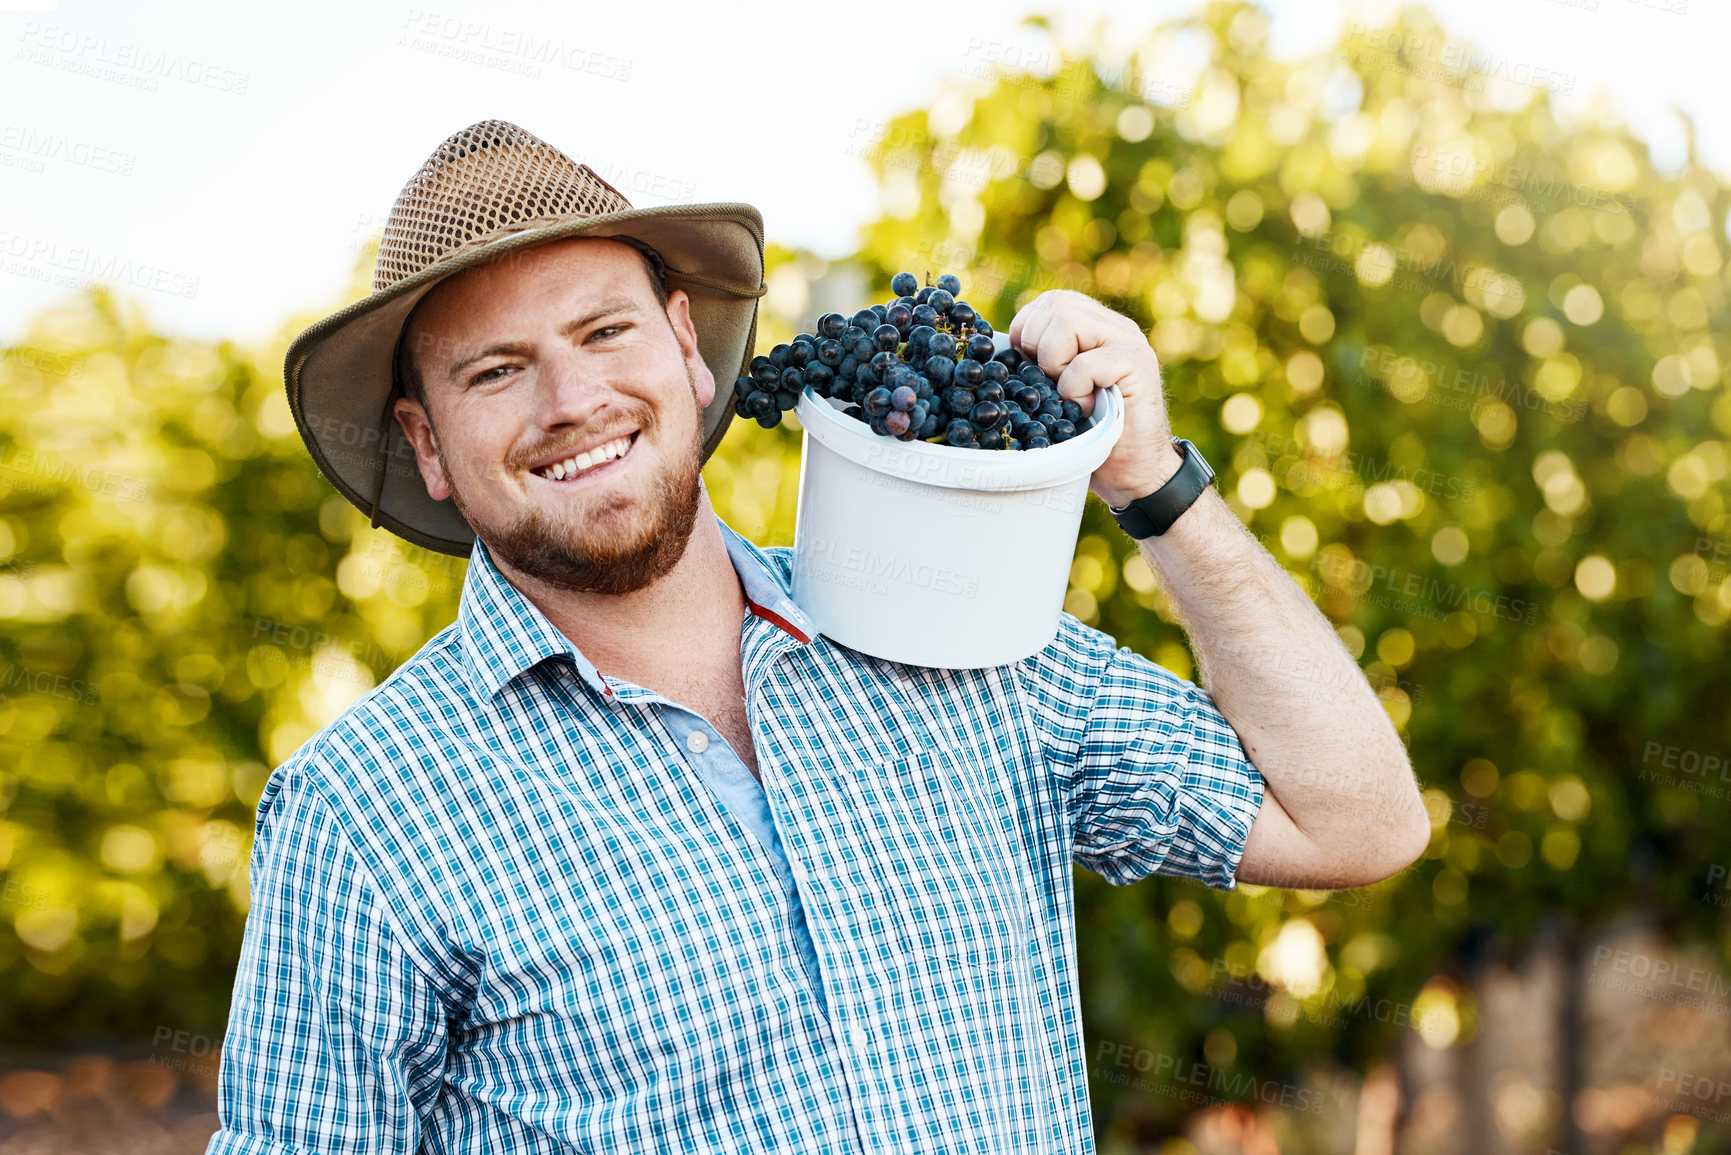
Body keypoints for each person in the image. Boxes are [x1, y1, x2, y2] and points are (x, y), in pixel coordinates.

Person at [208, 120, 1429, 1154]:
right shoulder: (366, 813)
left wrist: (1152, 481)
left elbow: (1360, 819)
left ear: (686, 348)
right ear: (425, 445)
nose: (571, 402)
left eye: (604, 333)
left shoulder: (965, 641)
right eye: (495, 372)